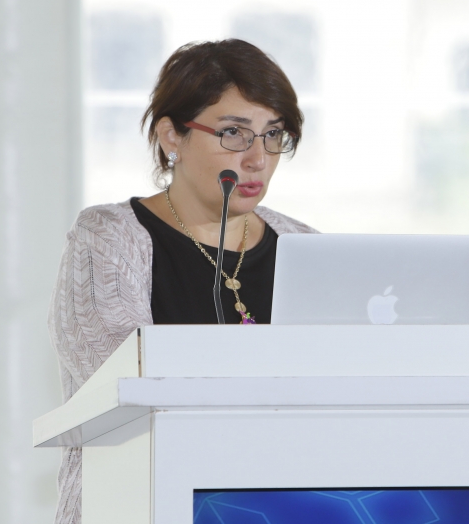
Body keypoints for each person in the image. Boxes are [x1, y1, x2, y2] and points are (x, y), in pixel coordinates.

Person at [47, 39, 318, 523]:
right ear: (172, 135)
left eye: (274, 134)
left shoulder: (306, 247)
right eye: (234, 133)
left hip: (280, 503)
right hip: (147, 503)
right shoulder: (108, 238)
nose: (258, 158)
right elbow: (122, 380)